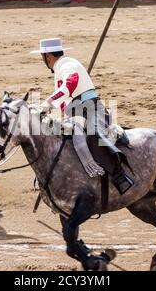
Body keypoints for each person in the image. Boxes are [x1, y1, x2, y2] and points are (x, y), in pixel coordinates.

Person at [31, 38, 133, 195]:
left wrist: (47, 103)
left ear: (48, 56)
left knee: (94, 136)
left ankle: (120, 176)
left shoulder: (67, 65)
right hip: (75, 112)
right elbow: (66, 98)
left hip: (90, 108)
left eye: (43, 57)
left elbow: (70, 84)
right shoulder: (62, 66)